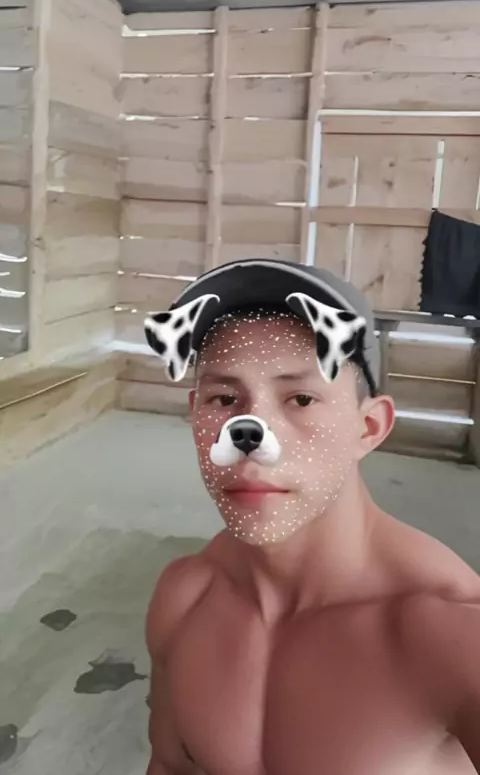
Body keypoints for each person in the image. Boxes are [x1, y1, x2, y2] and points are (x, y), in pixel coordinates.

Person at [143, 259, 480, 775]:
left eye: (301, 398)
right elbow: (169, 766)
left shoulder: (455, 636)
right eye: (224, 398)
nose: (252, 433)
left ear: (368, 427)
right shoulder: (184, 597)